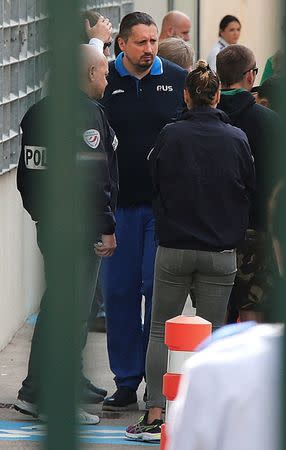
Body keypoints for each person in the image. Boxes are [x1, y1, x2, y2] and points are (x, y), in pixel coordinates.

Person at [125, 60, 255, 442]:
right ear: (217, 96)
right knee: (213, 333)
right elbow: (247, 184)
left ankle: (154, 413)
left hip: (176, 246)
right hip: (220, 250)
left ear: (186, 95)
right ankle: (207, 416)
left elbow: (155, 180)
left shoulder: (169, 135)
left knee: (161, 329)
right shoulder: (236, 138)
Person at [15, 46, 118, 424]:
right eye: (104, 73)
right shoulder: (86, 115)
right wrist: (105, 226)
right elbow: (95, 178)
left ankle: (34, 391)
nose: (107, 81)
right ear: (90, 73)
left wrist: (42, 216)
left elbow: (28, 177)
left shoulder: (38, 112)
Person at [99, 11, 187, 411]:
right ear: (122, 44)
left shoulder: (176, 80)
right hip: (116, 209)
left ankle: (156, 387)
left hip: (160, 208)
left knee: (158, 293)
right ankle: (125, 380)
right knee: (118, 295)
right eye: (141, 42)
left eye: (154, 41)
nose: (150, 49)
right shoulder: (105, 82)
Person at [217, 45, 278, 323]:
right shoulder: (268, 121)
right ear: (250, 76)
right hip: (255, 231)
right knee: (252, 309)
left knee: (212, 310)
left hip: (209, 229)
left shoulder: (202, 115)